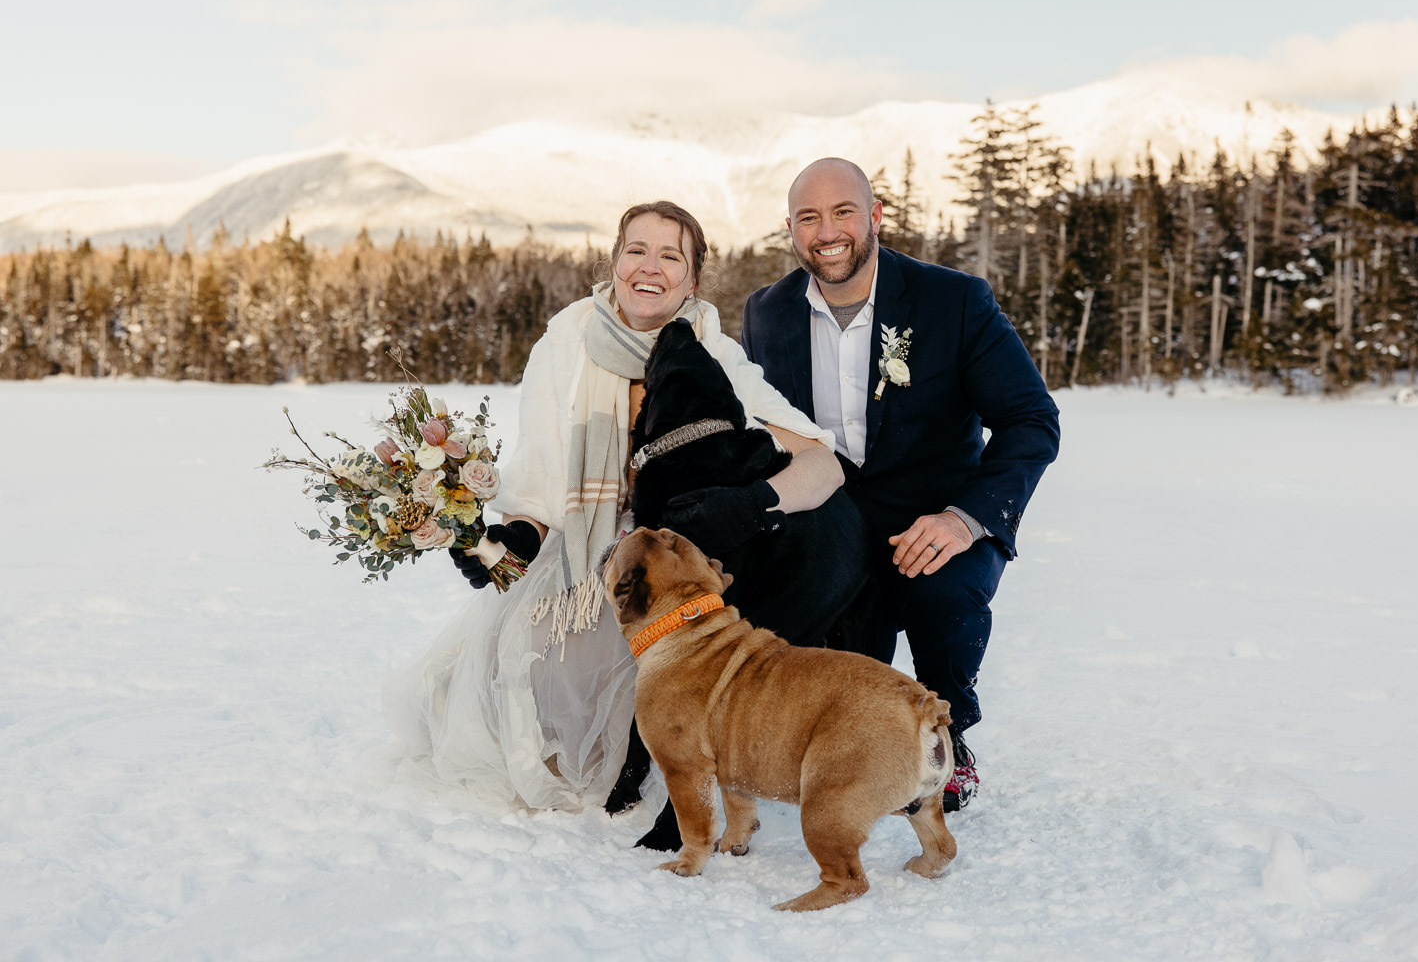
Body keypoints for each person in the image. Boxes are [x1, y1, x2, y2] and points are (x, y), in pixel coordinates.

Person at [385, 200, 848, 818]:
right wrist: (515, 537)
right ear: (614, 261)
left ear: (692, 279)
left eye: (670, 255)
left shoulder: (712, 351)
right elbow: (544, 469)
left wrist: (753, 503)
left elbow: (824, 463)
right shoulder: (567, 339)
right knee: (510, 698)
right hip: (584, 542)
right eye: (636, 250)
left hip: (667, 553)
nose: (649, 267)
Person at [740, 158, 1061, 812]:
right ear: (791, 231)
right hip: (832, 525)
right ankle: (839, 741)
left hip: (935, 516)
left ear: (875, 215)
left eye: (842, 212)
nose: (826, 231)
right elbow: (760, 428)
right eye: (808, 218)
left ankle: (948, 741)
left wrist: (963, 518)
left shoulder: (952, 300)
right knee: (834, 650)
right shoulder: (766, 313)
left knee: (943, 600)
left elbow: (1031, 420)